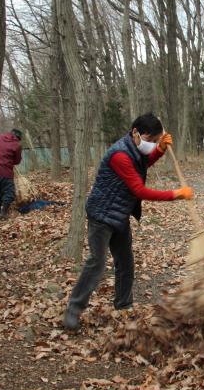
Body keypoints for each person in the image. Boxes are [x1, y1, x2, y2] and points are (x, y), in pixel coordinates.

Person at [62, 113, 194, 330]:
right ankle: (73, 310)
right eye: (150, 141)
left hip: (120, 215)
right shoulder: (119, 155)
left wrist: (159, 151)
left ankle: (123, 305)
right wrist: (175, 194)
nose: (151, 145)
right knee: (97, 263)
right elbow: (138, 190)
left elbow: (141, 165)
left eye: (154, 141)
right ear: (135, 133)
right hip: (101, 216)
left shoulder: (133, 149)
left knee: (126, 262)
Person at [0, 128, 23, 220]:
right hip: (6, 173)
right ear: (18, 137)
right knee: (9, 193)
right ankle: (4, 212)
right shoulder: (17, 145)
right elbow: (17, 161)